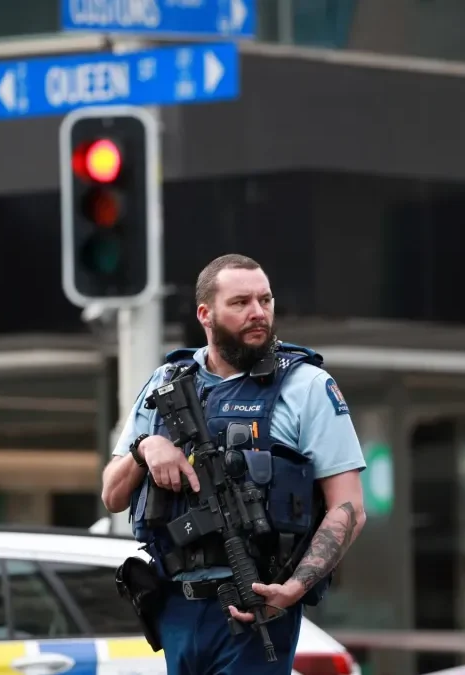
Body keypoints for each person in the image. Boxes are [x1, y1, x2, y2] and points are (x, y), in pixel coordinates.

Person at [102, 253, 367, 675]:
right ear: (205, 314)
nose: (258, 313)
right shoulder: (165, 382)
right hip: (175, 608)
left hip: (256, 604)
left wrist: (293, 589)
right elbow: (112, 495)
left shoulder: (308, 386)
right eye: (241, 303)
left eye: (266, 300)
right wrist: (146, 447)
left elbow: (349, 507)